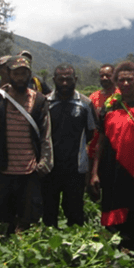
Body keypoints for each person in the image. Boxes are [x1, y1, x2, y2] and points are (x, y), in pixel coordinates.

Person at [90, 61, 134, 252]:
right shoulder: (108, 108)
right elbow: (100, 143)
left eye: (130, 79)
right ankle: (119, 249)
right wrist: (95, 172)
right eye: (121, 80)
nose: (125, 83)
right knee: (116, 206)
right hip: (113, 167)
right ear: (116, 82)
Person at [0, 55, 53, 234]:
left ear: (29, 75)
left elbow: (46, 134)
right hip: (2, 168)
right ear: (8, 74)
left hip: (29, 169)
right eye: (16, 74)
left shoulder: (38, 100)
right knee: (3, 216)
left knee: (28, 217)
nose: (20, 78)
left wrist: (45, 161)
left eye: (24, 74)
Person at [42, 64, 96, 228]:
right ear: (54, 80)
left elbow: (91, 133)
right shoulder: (45, 103)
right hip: (50, 166)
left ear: (76, 80)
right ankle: (49, 246)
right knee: (48, 211)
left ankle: (74, 246)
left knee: (74, 210)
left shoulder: (86, 104)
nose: (65, 83)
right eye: (61, 79)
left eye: (68, 79)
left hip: (76, 168)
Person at [87, 64, 117, 163]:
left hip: (115, 149)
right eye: (102, 76)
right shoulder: (93, 97)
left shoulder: (121, 96)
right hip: (95, 149)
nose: (104, 78)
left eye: (108, 75)